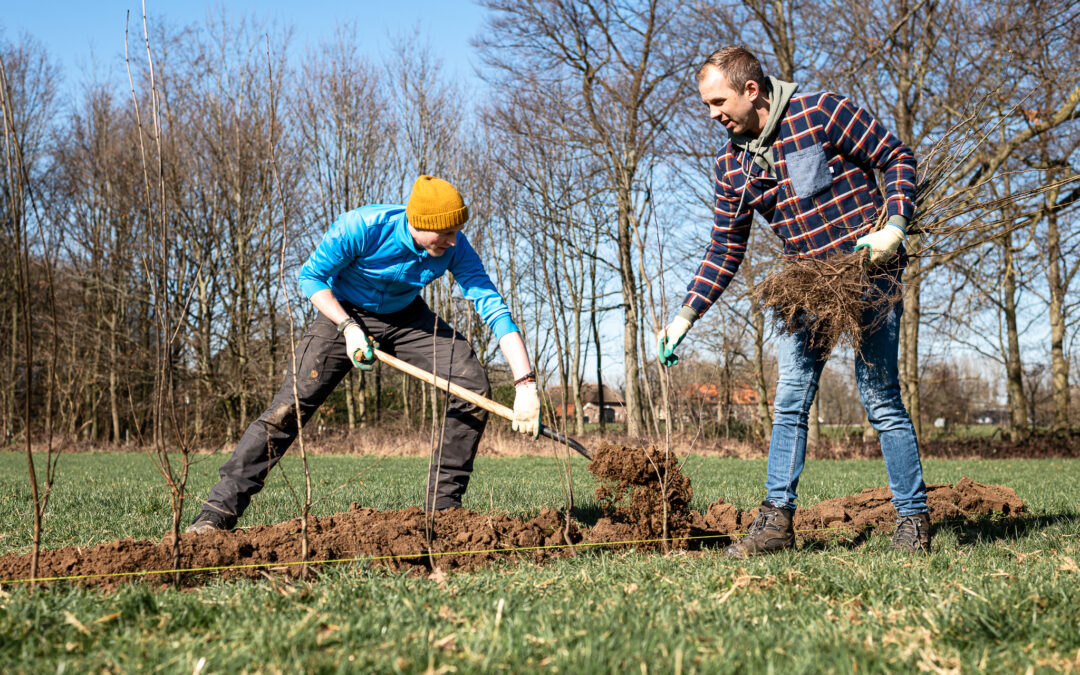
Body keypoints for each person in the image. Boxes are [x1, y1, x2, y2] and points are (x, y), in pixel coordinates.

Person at [658, 47, 930, 556]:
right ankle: (776, 523)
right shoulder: (729, 164)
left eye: (718, 101)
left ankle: (913, 520)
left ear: (751, 91)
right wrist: (685, 314)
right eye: (706, 104)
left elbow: (895, 157)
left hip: (868, 270)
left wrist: (894, 225)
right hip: (805, 284)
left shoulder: (820, 111)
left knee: (879, 397)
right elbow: (725, 245)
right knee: (789, 402)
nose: (712, 113)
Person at [187, 175, 541, 533]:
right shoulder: (363, 226)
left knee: (473, 387)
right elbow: (311, 278)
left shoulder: (454, 247)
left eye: (456, 232)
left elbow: (493, 308)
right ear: (420, 223)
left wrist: (525, 384)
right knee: (289, 406)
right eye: (446, 233)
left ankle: (444, 513)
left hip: (407, 316)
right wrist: (348, 326)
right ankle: (217, 513)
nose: (454, 241)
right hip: (342, 311)